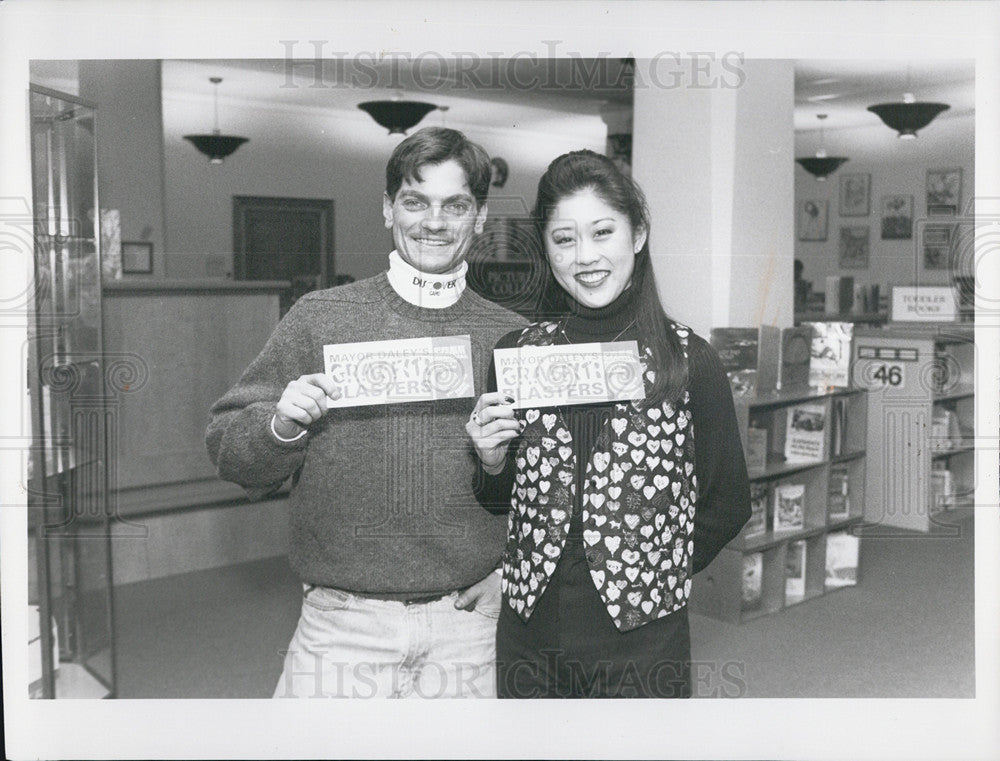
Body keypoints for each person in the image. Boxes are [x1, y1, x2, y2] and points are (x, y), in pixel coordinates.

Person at [206, 127, 526, 699]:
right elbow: (232, 455)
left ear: (479, 218)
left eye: (455, 205)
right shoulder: (320, 318)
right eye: (415, 201)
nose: (434, 221)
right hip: (341, 626)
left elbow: (545, 482)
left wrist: (512, 571)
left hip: (467, 630)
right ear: (387, 209)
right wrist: (279, 427)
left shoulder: (510, 336)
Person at [467, 149, 751, 698]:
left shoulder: (688, 359)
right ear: (547, 251)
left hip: (643, 639)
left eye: (602, 232)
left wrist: (652, 574)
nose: (586, 256)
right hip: (532, 632)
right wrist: (491, 460)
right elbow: (500, 500)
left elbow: (729, 501)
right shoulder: (517, 354)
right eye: (564, 239)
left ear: (637, 235)